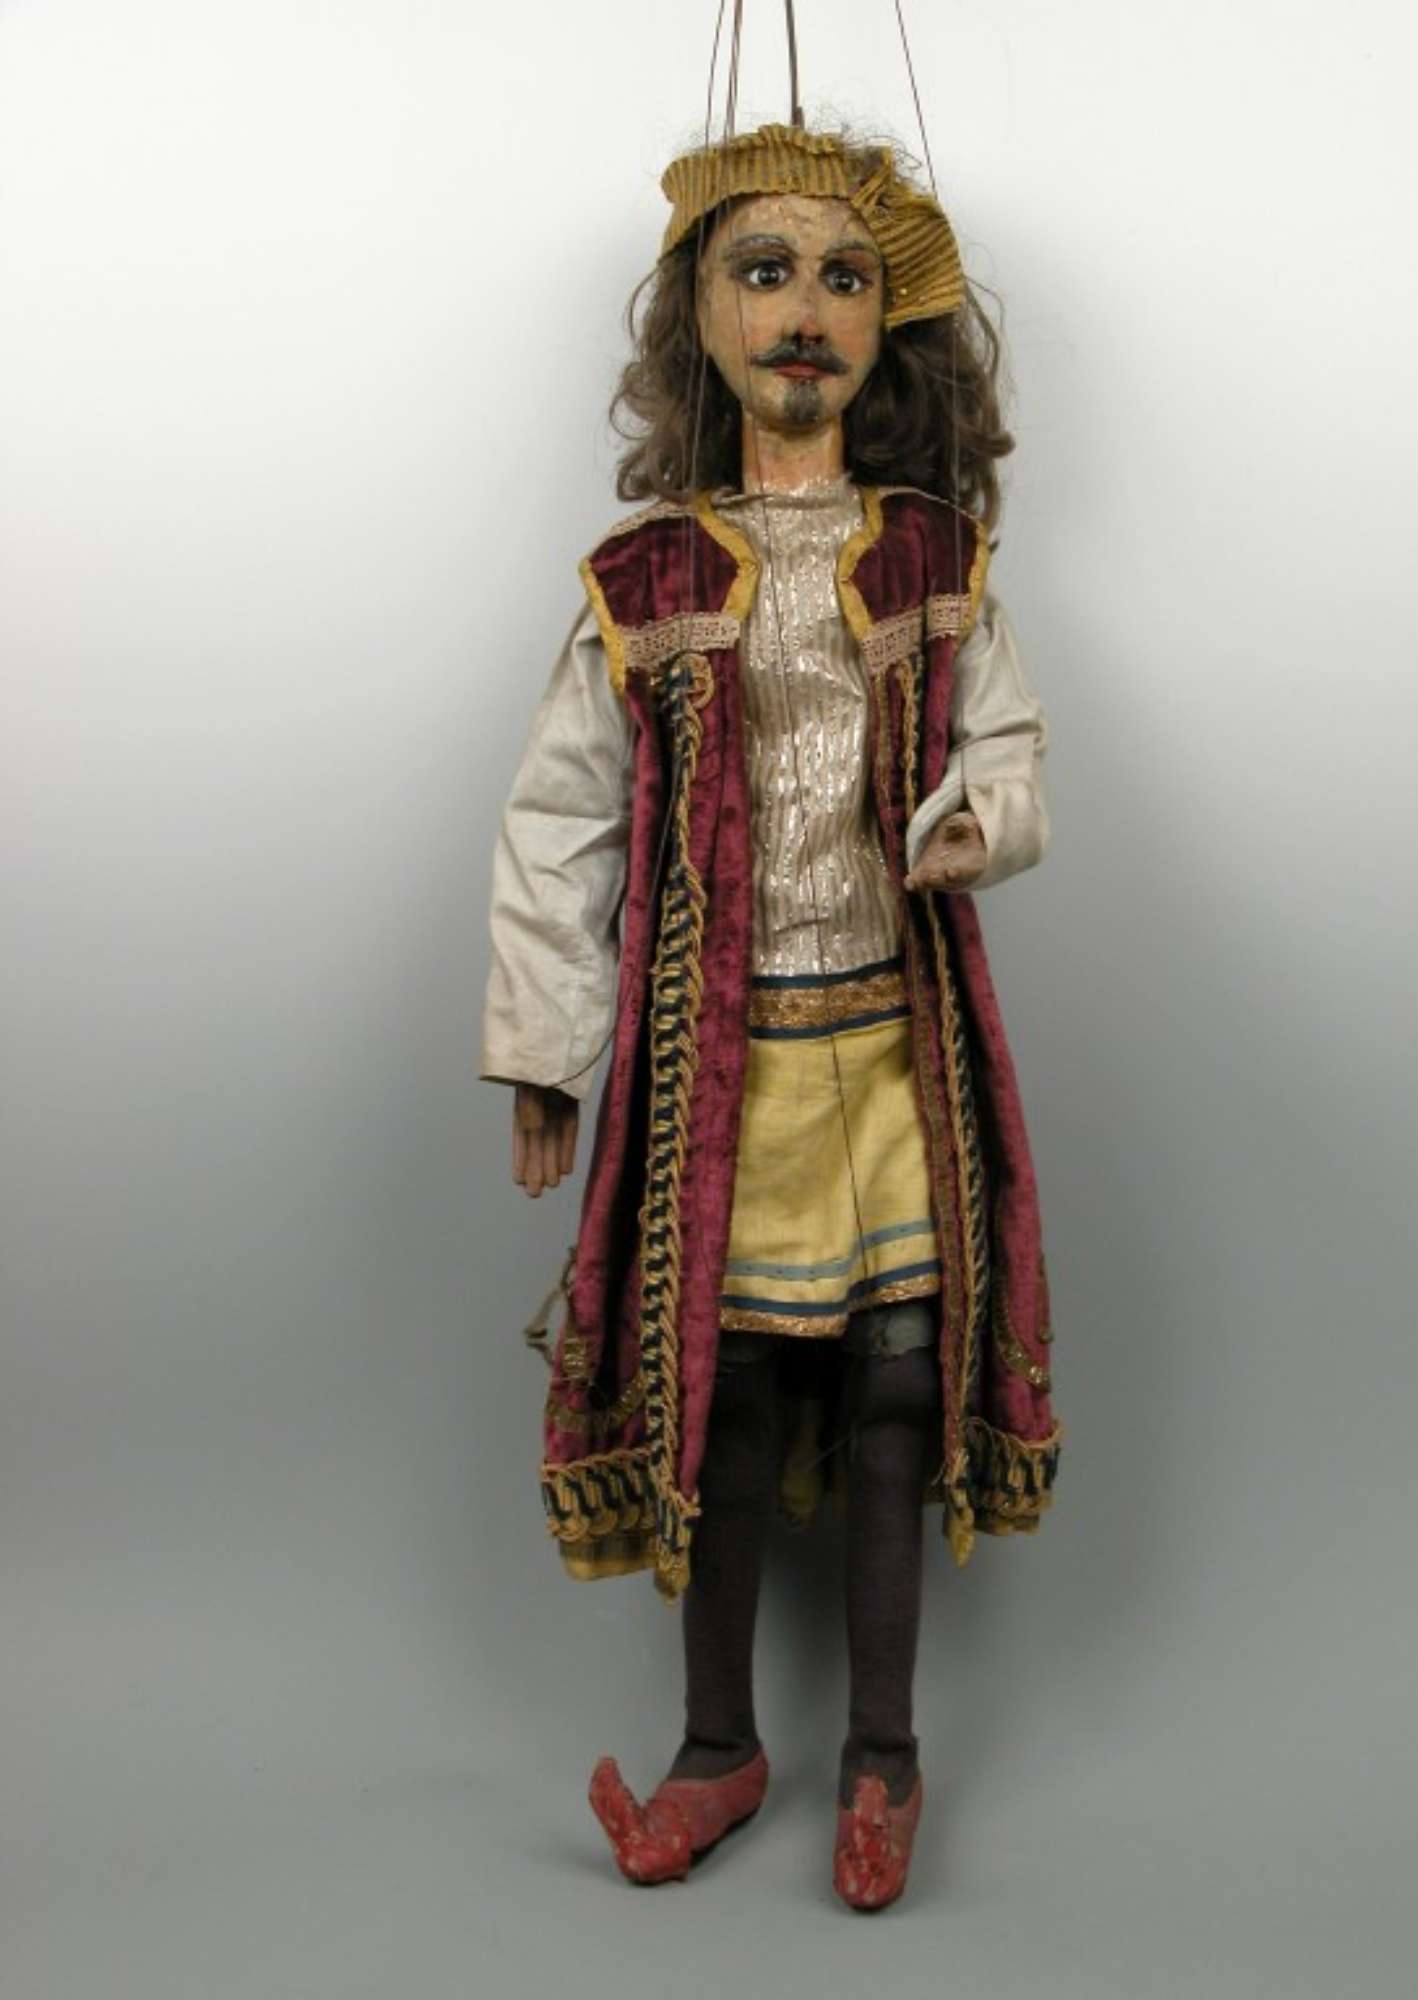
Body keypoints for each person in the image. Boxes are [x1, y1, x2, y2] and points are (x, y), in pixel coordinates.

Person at [479, 120, 1061, 1910]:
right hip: (716, 1060)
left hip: (892, 1045)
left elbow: (1010, 749)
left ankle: (882, 1752)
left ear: (888, 331)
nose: (804, 311)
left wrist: (977, 821)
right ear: (703, 318)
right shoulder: (645, 580)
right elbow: (560, 819)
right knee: (720, 1388)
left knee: (897, 1385)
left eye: (843, 278)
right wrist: (547, 1045)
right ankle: (718, 1744)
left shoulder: (934, 555)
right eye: (765, 271)